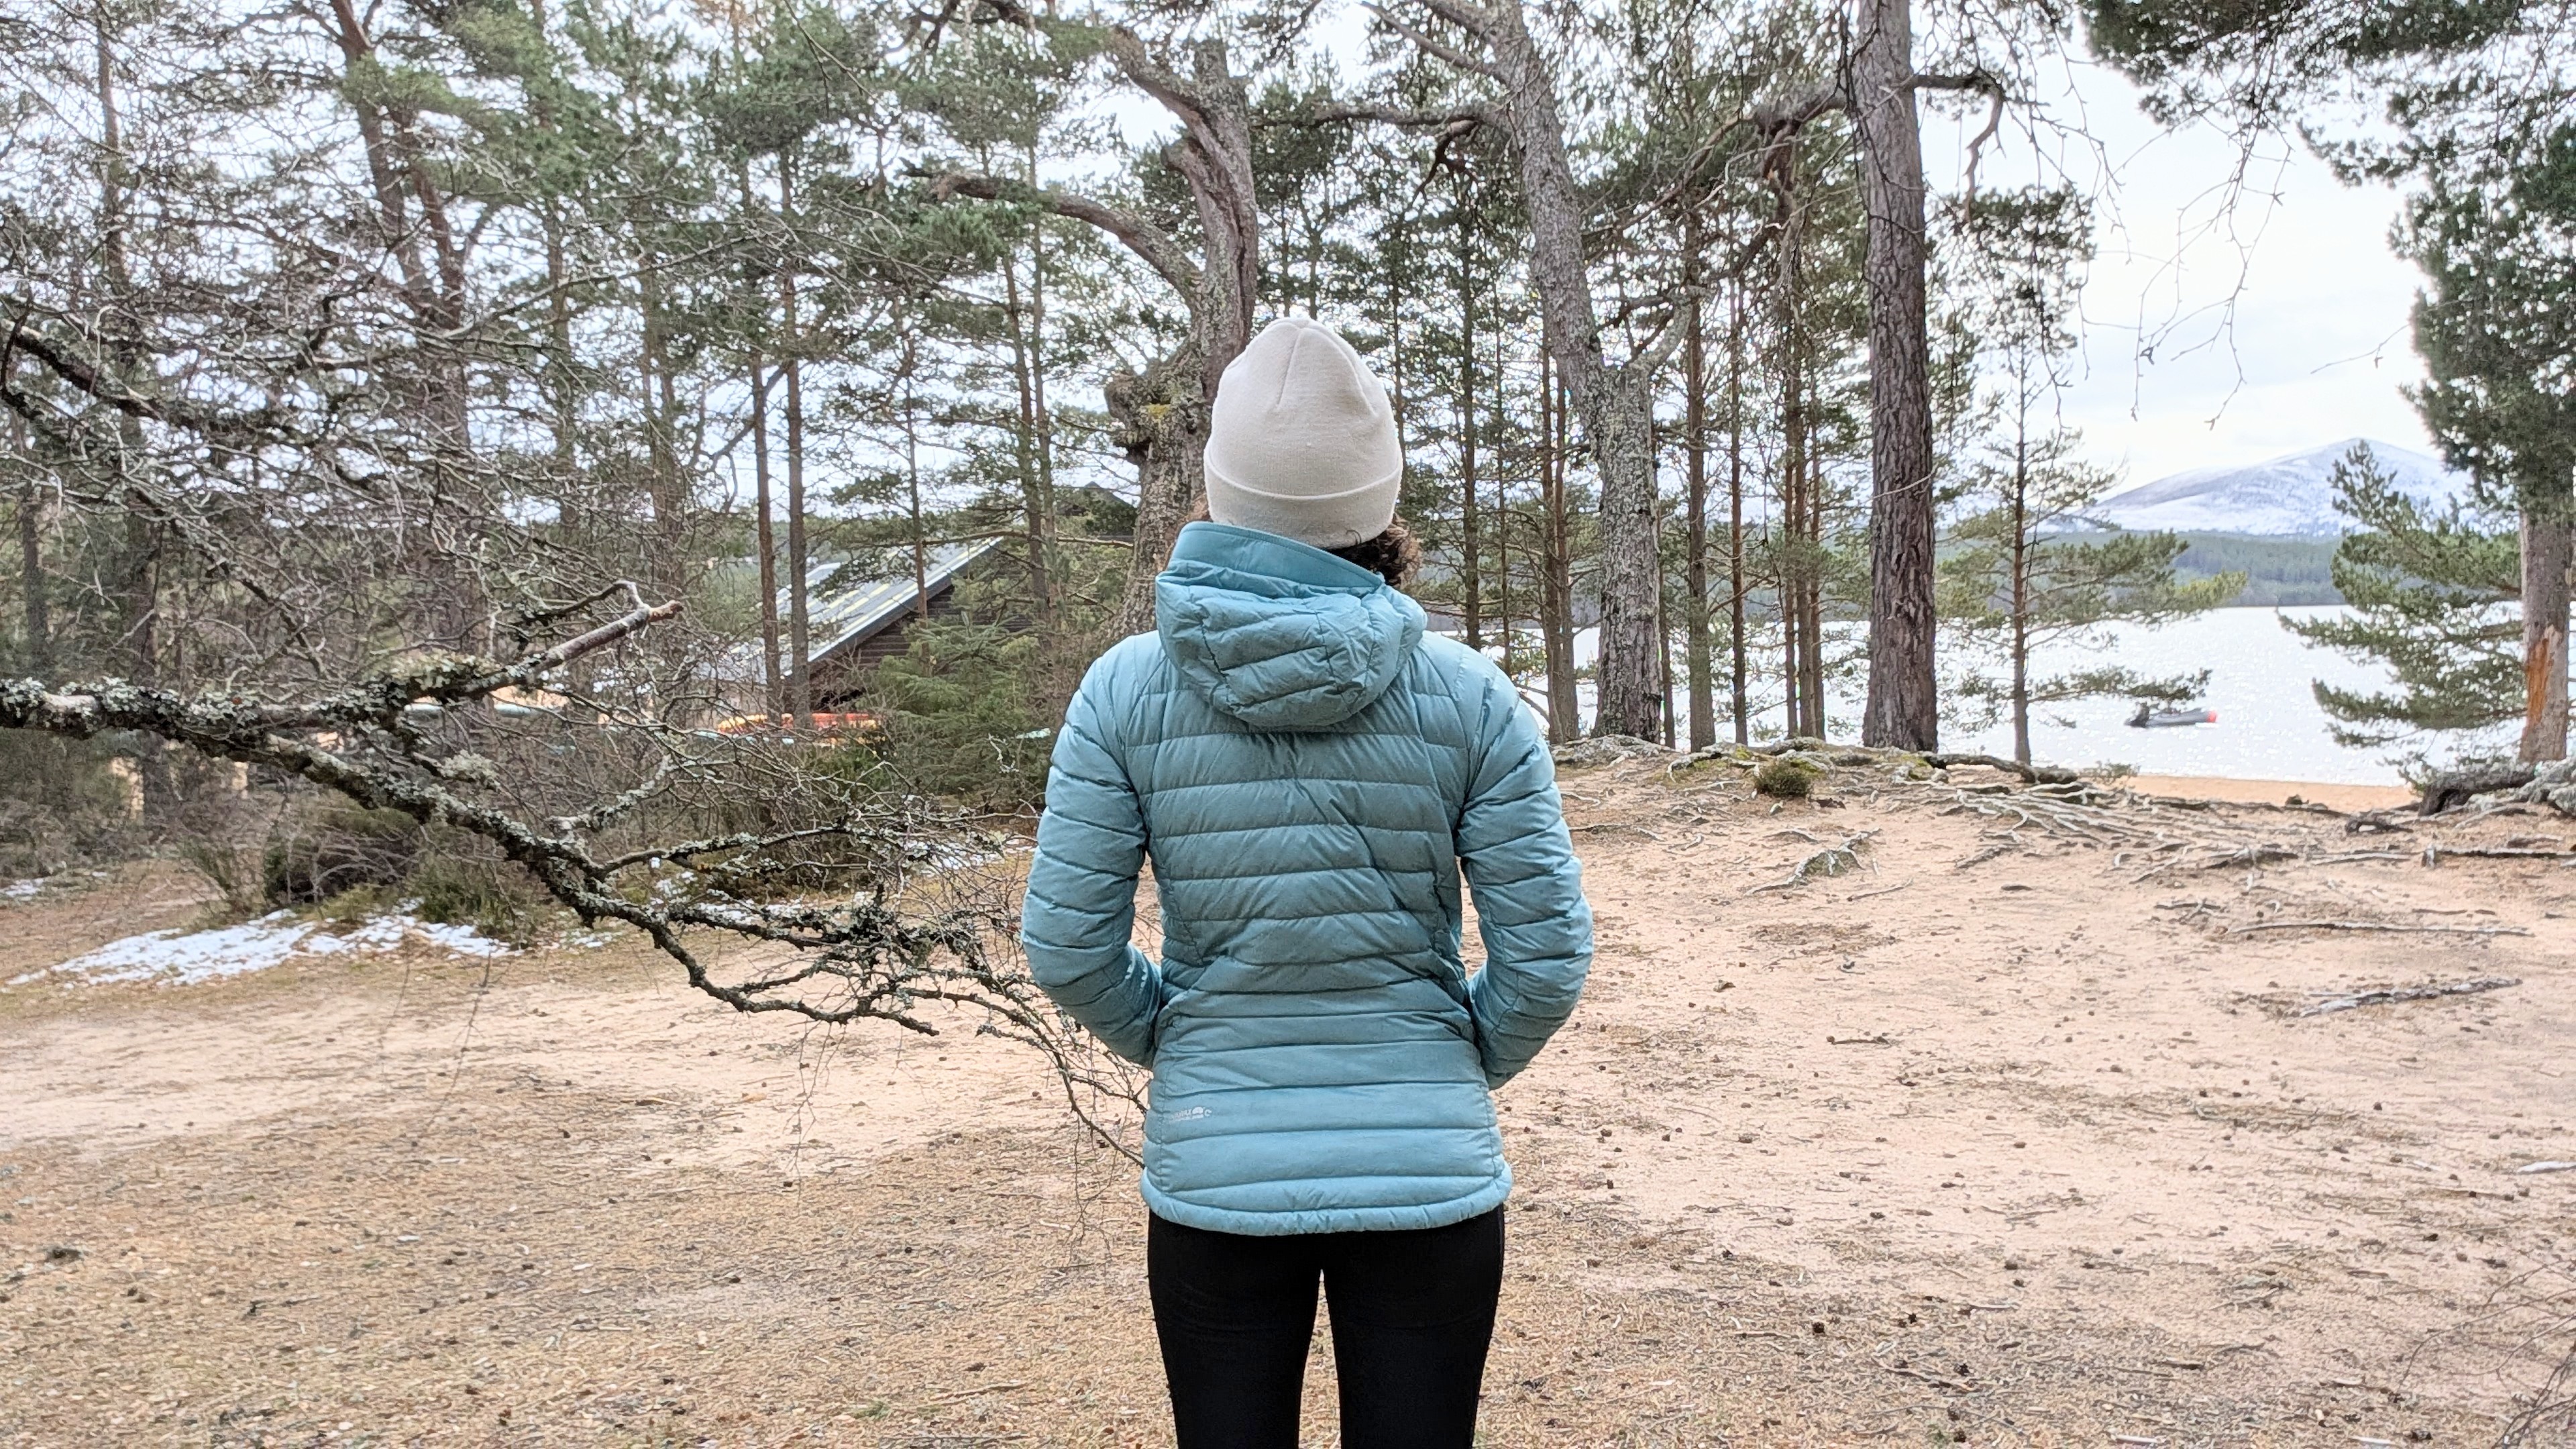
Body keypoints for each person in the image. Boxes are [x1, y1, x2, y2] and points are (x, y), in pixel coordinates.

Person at [1020, 315, 1593, 1449]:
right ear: (1378, 505)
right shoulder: (1473, 695)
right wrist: (1455, 1056)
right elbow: (1547, 957)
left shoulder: (1125, 691)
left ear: (1221, 493)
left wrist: (1182, 1036)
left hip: (1219, 1165)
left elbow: (1067, 947)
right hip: (1428, 1169)